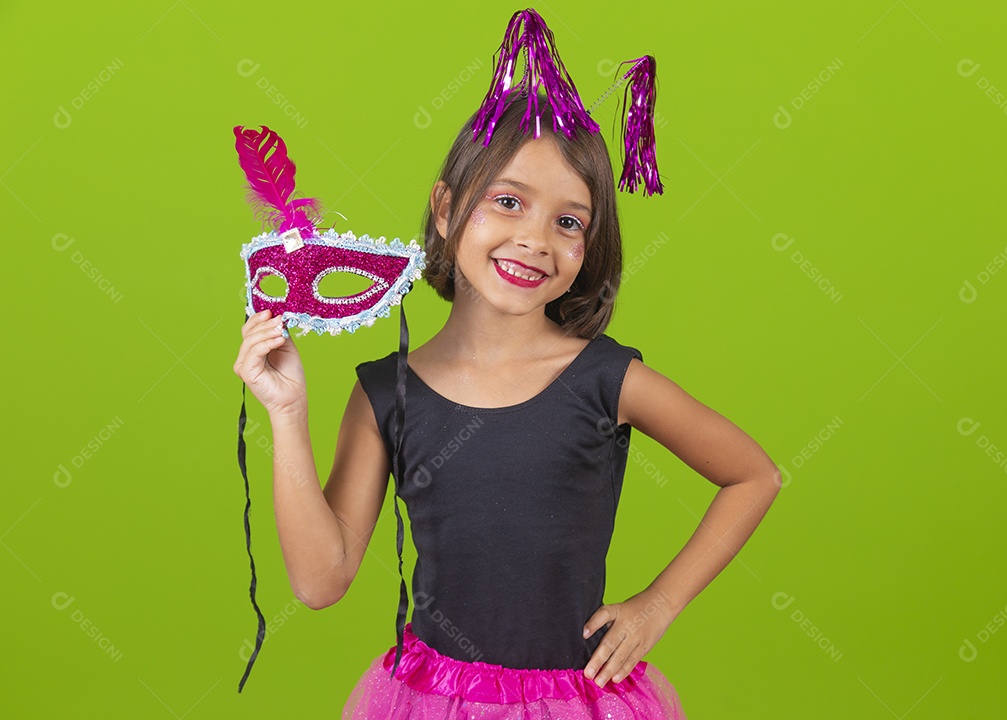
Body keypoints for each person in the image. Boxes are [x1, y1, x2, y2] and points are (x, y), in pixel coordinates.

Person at [234, 87, 781, 720]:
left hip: (577, 702)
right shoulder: (386, 393)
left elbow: (753, 475)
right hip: (431, 703)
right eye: (508, 201)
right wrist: (287, 413)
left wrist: (659, 604)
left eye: (569, 221)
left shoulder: (607, 378)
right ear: (445, 208)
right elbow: (321, 580)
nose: (535, 239)